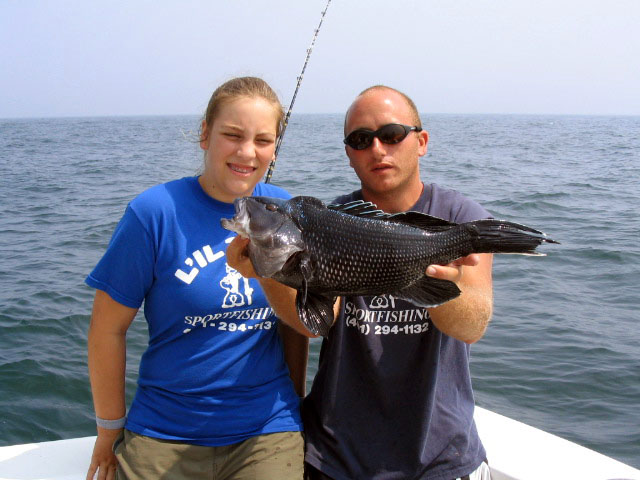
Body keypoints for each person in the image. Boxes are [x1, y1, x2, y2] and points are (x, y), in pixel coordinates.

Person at [85, 76, 310, 480]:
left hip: (266, 428)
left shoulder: (286, 211)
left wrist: (295, 404)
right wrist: (108, 430)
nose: (247, 152)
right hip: (162, 428)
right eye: (232, 135)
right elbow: (107, 330)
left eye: (263, 139)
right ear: (204, 135)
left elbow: (296, 325)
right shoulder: (154, 212)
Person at [301, 86, 494, 480]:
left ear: (421, 142)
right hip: (336, 458)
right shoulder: (330, 221)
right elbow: (315, 321)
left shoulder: (460, 218)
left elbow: (472, 327)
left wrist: (440, 280)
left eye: (391, 134)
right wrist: (272, 266)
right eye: (360, 140)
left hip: (439, 459)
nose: (376, 149)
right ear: (348, 152)